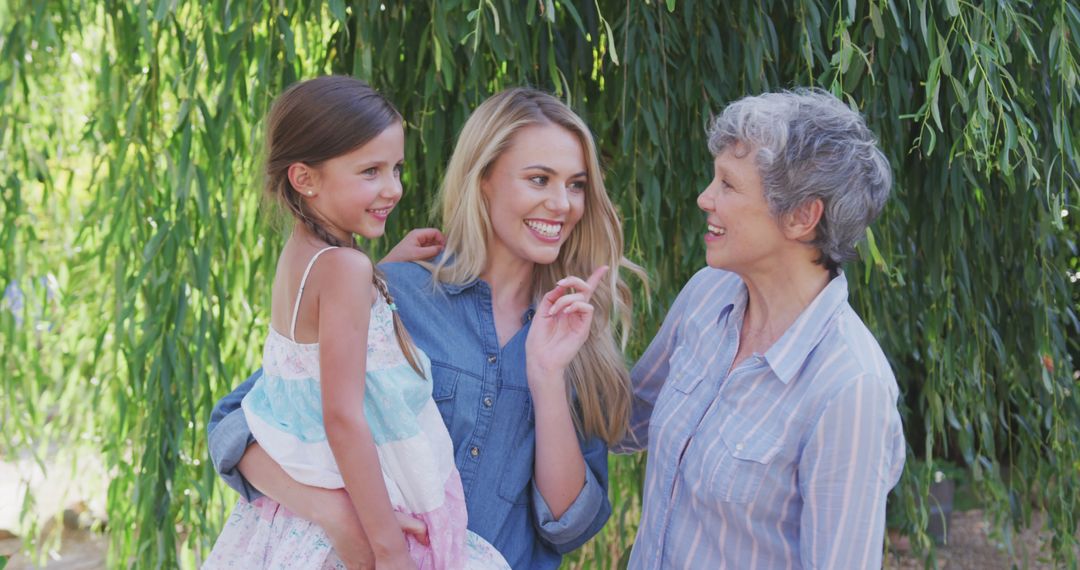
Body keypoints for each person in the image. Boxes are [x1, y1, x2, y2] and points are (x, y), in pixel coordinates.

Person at [208, 87, 643, 569]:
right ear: (484, 180)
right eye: (539, 179)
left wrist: (546, 375)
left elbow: (569, 525)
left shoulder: (578, 332)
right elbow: (241, 426)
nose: (561, 204)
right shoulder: (394, 296)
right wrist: (337, 515)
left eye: (577, 184)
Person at [204, 76, 508, 569]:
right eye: (370, 171)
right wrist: (388, 553)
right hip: (358, 533)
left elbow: (319, 345)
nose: (392, 189)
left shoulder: (306, 256)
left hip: (290, 524)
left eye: (396, 168)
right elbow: (342, 417)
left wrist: (379, 273)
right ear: (305, 178)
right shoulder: (346, 269)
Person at [615, 89, 906, 569]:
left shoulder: (851, 389)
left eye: (728, 185)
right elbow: (622, 423)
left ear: (800, 217)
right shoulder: (708, 295)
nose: (704, 197)